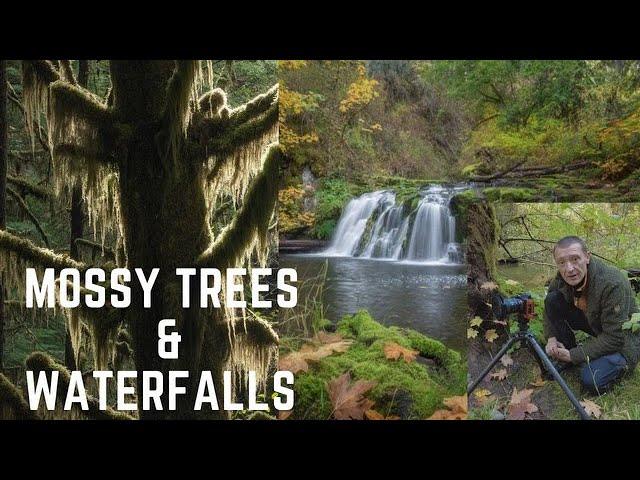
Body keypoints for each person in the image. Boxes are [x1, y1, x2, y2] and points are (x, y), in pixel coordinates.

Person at [543, 236, 640, 393]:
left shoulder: (611, 283)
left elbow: (615, 338)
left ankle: (622, 365)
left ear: (587, 257)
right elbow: (549, 307)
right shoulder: (562, 277)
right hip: (596, 323)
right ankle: (566, 352)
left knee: (591, 380)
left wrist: (574, 355)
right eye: (562, 262)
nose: (569, 269)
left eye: (575, 259)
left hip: (623, 338)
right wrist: (551, 337)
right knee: (552, 299)